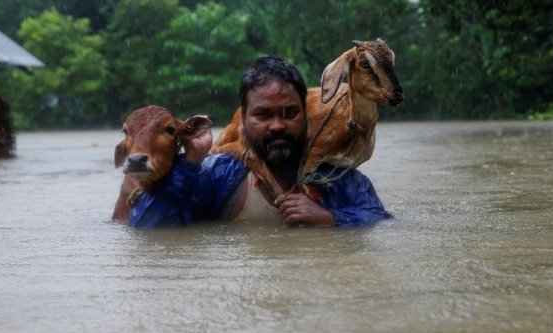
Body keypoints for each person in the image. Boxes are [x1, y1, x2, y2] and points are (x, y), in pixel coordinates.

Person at [130, 56, 391, 228]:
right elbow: (149, 229)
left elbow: (382, 222)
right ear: (243, 119)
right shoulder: (218, 174)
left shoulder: (339, 179)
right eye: (263, 115)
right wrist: (189, 162)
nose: (277, 125)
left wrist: (331, 218)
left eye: (290, 113)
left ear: (306, 115)